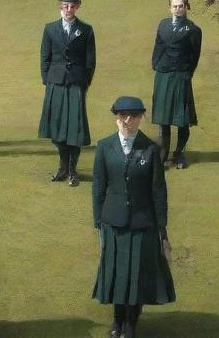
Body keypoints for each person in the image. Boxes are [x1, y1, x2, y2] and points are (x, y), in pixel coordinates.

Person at [92, 96, 175, 338]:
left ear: (140, 118)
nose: (128, 120)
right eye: (123, 115)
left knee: (136, 277)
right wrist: (99, 223)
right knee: (118, 274)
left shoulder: (150, 149)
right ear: (116, 117)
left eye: (134, 116)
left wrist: (162, 230)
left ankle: (130, 325)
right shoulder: (104, 146)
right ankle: (117, 321)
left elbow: (158, 191)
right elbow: (98, 187)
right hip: (113, 223)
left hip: (143, 224)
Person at [39, 0, 96, 186]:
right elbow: (44, 58)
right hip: (55, 83)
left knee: (75, 128)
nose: (68, 9)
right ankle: (62, 167)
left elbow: (90, 61)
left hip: (76, 83)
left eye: (72, 6)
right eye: (65, 6)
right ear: (60, 6)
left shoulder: (86, 29)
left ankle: (73, 171)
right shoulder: (50, 28)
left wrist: (84, 82)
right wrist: (48, 80)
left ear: (77, 7)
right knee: (56, 127)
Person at [151, 0, 202, 169]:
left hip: (181, 76)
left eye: (181, 6)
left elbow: (195, 55)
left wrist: (188, 73)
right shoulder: (163, 24)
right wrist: (155, 64)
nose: (178, 9)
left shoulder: (193, 29)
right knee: (163, 118)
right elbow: (158, 46)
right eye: (174, 6)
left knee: (182, 119)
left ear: (186, 7)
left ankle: (179, 153)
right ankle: (163, 154)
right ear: (169, 7)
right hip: (163, 74)